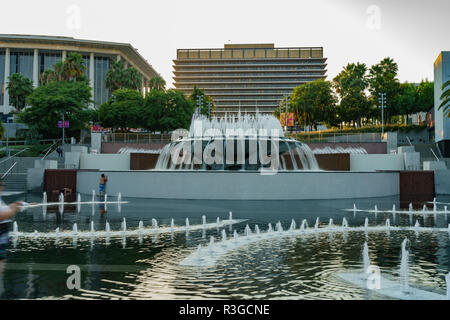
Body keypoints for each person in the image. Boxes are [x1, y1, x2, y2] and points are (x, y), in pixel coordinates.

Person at [0, 180, 21, 297]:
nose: (2, 188)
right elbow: (2, 215)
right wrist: (14, 210)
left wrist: (13, 206)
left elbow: (4, 211)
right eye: (1, 185)